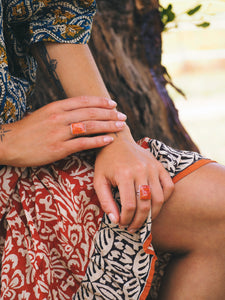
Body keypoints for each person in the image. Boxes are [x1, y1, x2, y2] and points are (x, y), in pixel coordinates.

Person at [0, 1, 224, 299]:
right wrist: (6, 140)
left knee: (216, 202)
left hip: (19, 169)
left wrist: (113, 136)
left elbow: (55, 14)